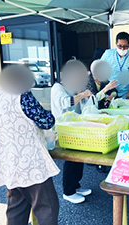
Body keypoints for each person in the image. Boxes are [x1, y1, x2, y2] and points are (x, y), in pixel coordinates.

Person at [0, 65, 60, 225]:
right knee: (47, 207)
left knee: (16, 208)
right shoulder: (22, 95)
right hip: (31, 164)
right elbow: (46, 121)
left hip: (7, 163)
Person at [50, 59, 94, 204]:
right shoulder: (57, 88)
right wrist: (81, 95)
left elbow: (83, 107)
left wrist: (85, 96)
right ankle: (68, 191)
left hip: (76, 128)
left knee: (78, 159)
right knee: (71, 159)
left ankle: (76, 185)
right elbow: (65, 102)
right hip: (63, 130)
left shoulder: (74, 88)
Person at [100, 32, 129, 99]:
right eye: (120, 46)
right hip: (109, 93)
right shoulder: (108, 54)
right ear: (116, 44)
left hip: (125, 94)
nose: (122, 49)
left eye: (125, 46)